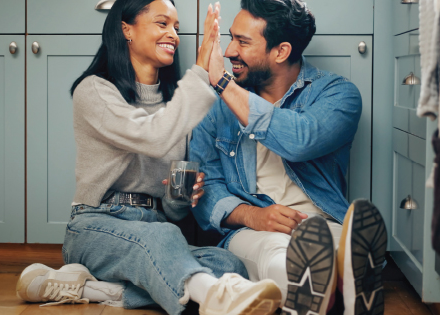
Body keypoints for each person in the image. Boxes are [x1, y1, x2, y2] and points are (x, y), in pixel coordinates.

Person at [15, 1, 282, 314]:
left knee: (228, 264)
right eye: (162, 23)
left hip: (156, 227)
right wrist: (200, 72)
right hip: (96, 227)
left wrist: (180, 197)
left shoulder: (176, 107)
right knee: (162, 237)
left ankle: (100, 291)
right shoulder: (95, 91)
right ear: (126, 28)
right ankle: (217, 299)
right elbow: (153, 137)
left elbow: (173, 210)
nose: (173, 34)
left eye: (176, 28)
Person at [190, 1, 387, 315]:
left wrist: (222, 83)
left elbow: (300, 139)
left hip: (322, 224)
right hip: (253, 231)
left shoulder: (337, 94)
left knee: (341, 247)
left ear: (280, 51)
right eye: (230, 38)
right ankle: (332, 290)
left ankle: (342, 281)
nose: (228, 52)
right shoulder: (212, 106)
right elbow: (205, 189)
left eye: (242, 42)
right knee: (275, 253)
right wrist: (253, 216)